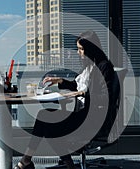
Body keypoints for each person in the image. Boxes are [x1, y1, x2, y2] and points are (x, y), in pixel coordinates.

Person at [14, 30, 120, 169]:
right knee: (45, 118)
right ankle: (55, 162)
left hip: (93, 120)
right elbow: (79, 85)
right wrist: (60, 81)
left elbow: (107, 98)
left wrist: (81, 94)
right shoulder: (89, 66)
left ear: (91, 49)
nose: (78, 52)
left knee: (46, 120)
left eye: (81, 49)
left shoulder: (103, 67)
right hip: (82, 115)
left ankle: (30, 161)